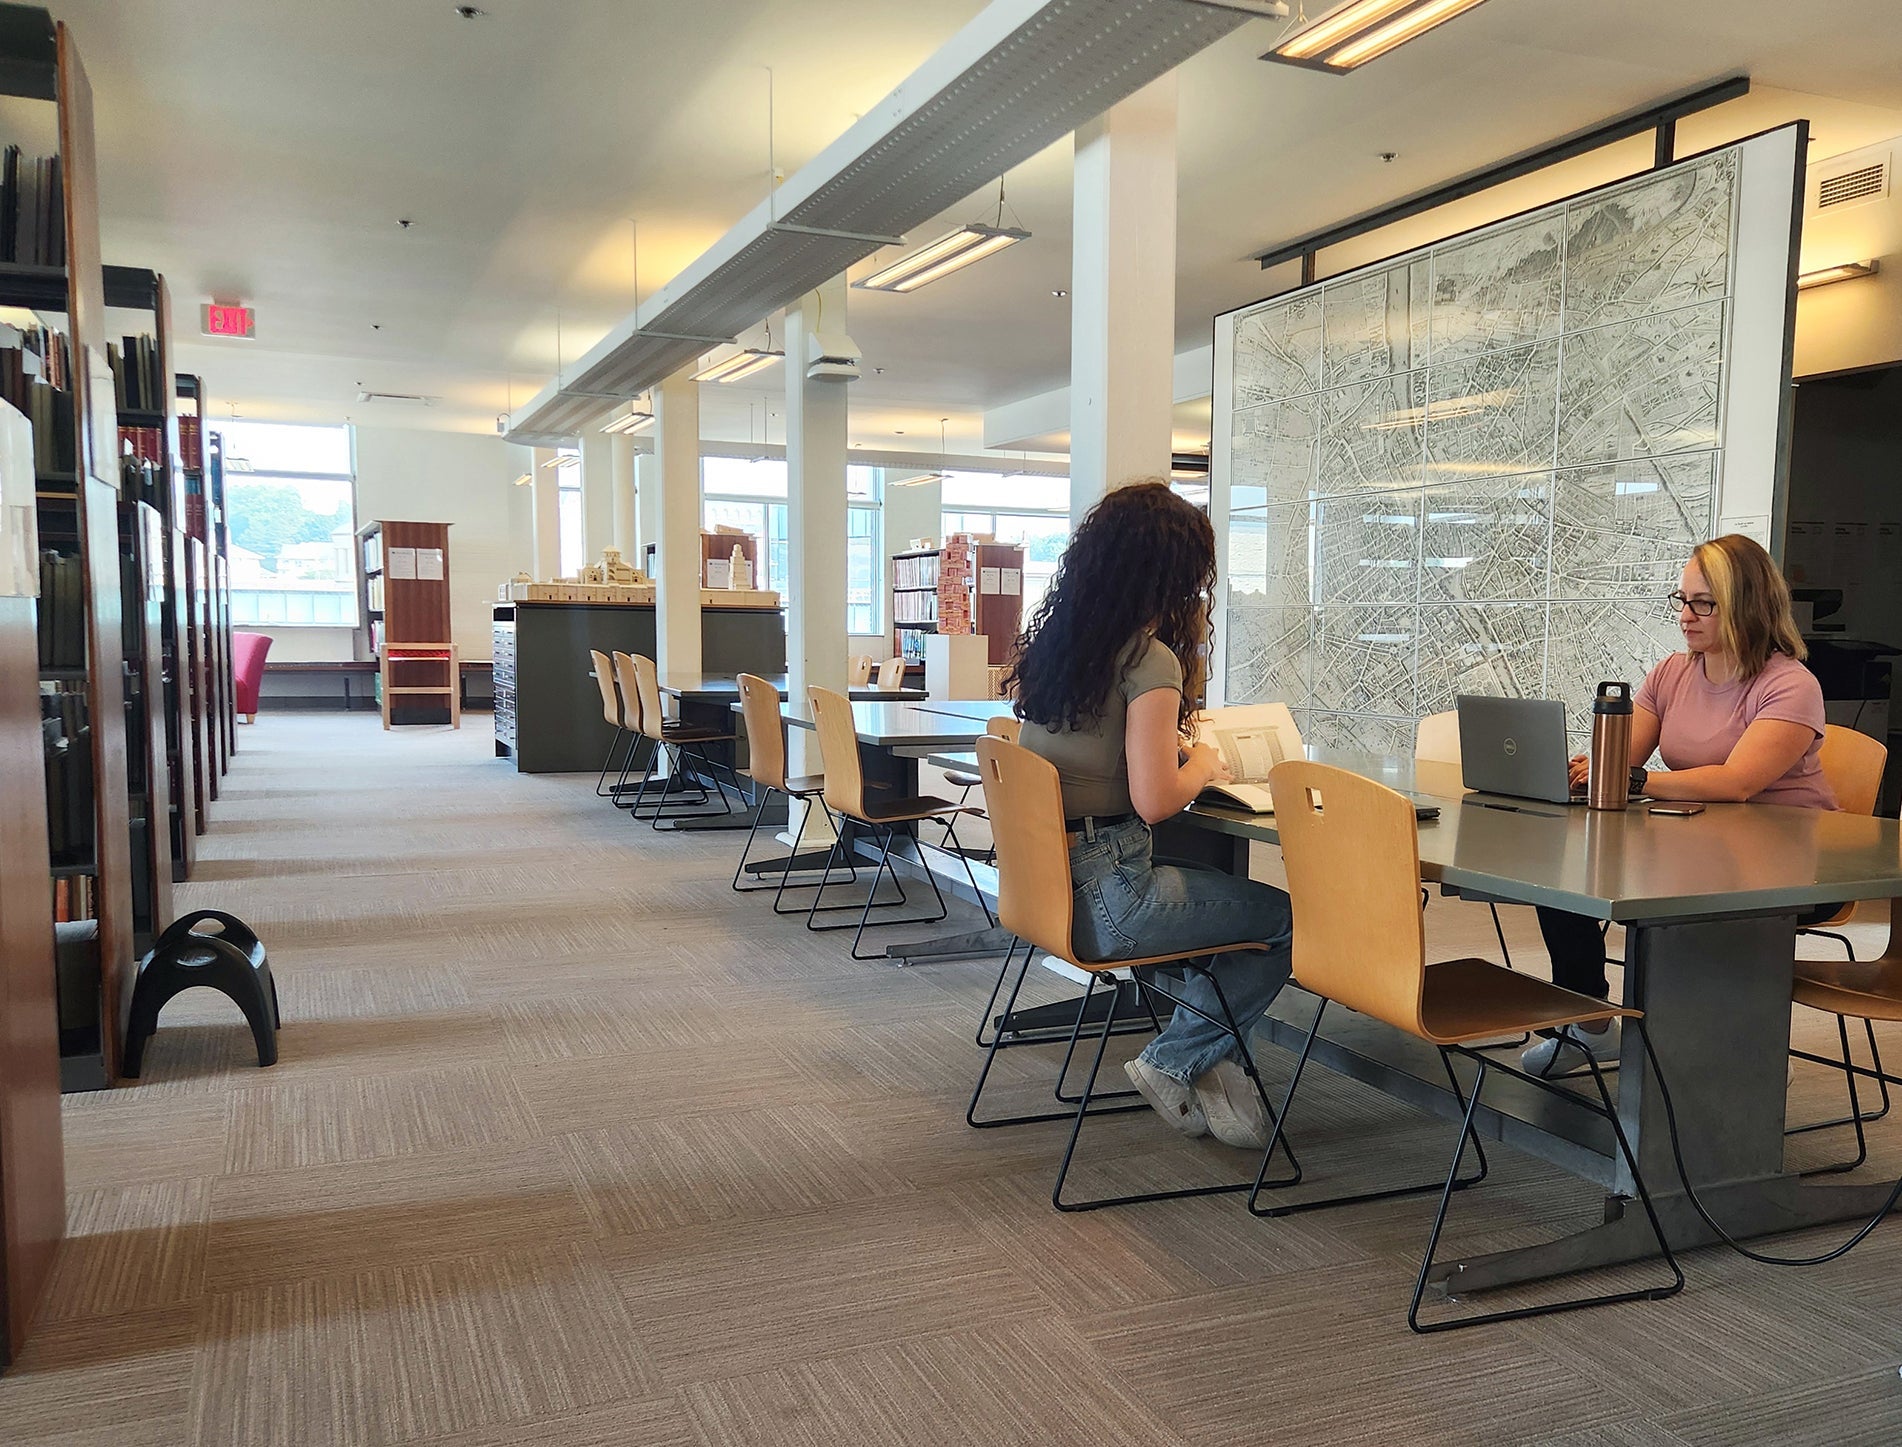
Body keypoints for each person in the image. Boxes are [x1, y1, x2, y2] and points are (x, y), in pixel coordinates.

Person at [1007, 479, 1293, 1147]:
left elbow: (1099, 749)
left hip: (1053, 887)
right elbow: (1156, 800)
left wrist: (1164, 748)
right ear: (1170, 573)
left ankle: (1206, 1054)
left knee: (1212, 937)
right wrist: (1204, 764)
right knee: (1284, 923)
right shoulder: (1150, 657)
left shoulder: (1062, 645)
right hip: (1114, 897)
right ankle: (1173, 1060)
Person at [1526, 533, 1839, 1075]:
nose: (1686, 616)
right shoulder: (1672, 671)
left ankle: (1751, 1043)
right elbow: (1625, 758)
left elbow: (1736, 782)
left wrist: (1633, 780)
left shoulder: (1791, 685)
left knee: (1688, 905)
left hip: (1791, 864)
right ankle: (1591, 1026)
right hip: (1700, 845)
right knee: (1561, 880)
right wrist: (1589, 769)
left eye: (1703, 603)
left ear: (1744, 606)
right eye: (1682, 599)